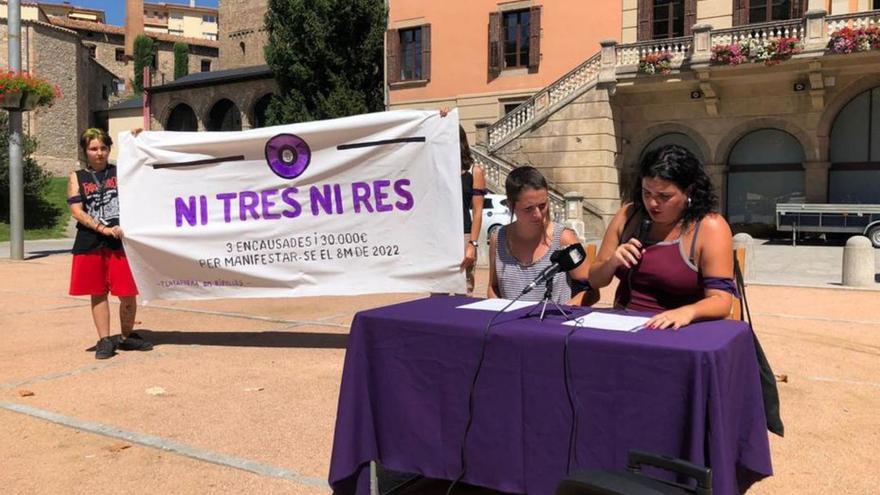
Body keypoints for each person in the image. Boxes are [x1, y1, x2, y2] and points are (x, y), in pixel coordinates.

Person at [588, 145, 736, 329]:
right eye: (646, 193)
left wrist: (687, 312)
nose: (652, 203)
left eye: (664, 196)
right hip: (623, 326)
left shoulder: (709, 226)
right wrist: (612, 262)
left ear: (689, 191)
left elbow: (721, 300)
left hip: (677, 330)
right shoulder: (629, 215)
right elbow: (595, 280)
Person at [68, 128, 152, 359]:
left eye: (103, 148)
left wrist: (139, 139)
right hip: (91, 241)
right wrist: (102, 228)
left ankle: (126, 337)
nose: (99, 153)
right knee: (97, 292)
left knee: (127, 292)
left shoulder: (120, 172)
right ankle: (105, 339)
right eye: (94, 148)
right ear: (85, 151)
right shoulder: (77, 177)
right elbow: (76, 211)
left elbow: (144, 166)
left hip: (120, 240)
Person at [488, 166, 591, 304]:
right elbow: (493, 287)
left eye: (542, 206)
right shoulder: (498, 239)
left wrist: (568, 308)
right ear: (511, 205)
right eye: (528, 208)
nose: (537, 214)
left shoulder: (563, 239)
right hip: (510, 323)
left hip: (553, 323)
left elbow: (590, 289)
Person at [439, 108, 486, 296]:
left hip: (464, 235)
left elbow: (478, 211)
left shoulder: (475, 171)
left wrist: (472, 245)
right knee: (437, 293)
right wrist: (437, 118)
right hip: (439, 235)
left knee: (464, 292)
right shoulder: (436, 168)